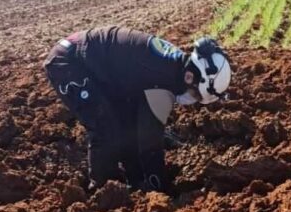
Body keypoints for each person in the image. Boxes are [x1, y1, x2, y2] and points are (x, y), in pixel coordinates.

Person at [43, 25, 231, 193]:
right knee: (105, 129)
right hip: (69, 62)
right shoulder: (163, 82)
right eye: (197, 95)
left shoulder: (176, 66)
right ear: (192, 78)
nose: (194, 100)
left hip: (99, 67)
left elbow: (135, 130)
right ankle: (104, 192)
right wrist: (159, 186)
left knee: (126, 121)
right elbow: (150, 144)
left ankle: (132, 180)